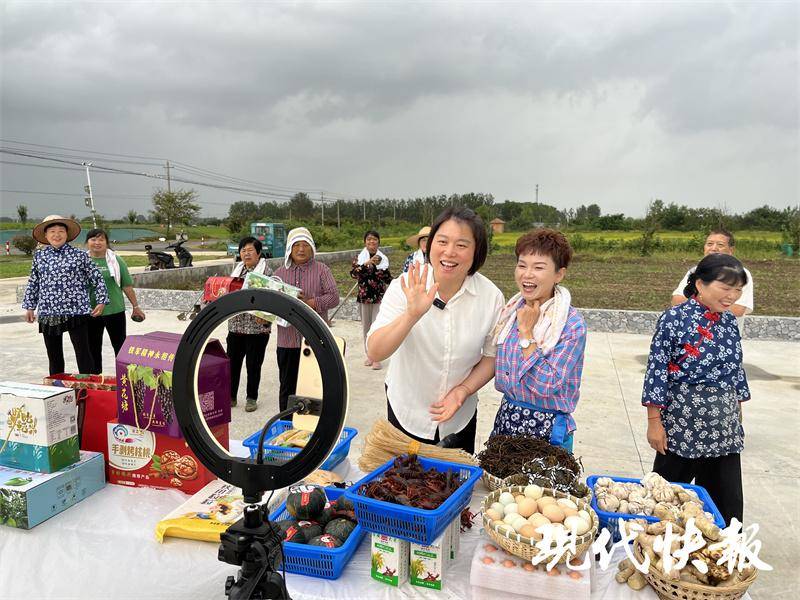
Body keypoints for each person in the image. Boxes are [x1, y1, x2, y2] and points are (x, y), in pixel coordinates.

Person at [367, 207, 505, 454]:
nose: (449, 252)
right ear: (430, 245)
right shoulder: (404, 286)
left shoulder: (491, 297)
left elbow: (492, 356)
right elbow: (375, 351)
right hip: (407, 411)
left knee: (455, 487)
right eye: (442, 241)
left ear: (477, 252)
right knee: (402, 487)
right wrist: (411, 315)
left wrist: (463, 390)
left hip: (459, 416)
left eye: (462, 245)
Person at [644, 253, 750, 525]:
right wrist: (654, 422)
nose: (732, 296)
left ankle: (722, 558)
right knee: (666, 502)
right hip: (681, 427)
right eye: (725, 288)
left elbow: (736, 370)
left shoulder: (728, 322)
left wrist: (737, 417)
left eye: (737, 290)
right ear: (701, 284)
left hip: (722, 432)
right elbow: (657, 371)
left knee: (726, 506)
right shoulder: (673, 319)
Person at [489, 229, 586, 453]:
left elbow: (546, 384)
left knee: (540, 489)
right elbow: (499, 370)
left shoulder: (571, 325)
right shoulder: (511, 312)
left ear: (559, 274)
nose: (527, 274)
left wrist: (526, 333)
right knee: (501, 487)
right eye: (522, 265)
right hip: (507, 421)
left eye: (539, 267)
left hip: (548, 430)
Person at [22, 215, 108, 375]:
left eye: (61, 231)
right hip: (49, 312)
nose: (57, 234)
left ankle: (87, 389)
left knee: (83, 353)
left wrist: (101, 300)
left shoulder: (80, 255)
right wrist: (30, 307)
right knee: (54, 356)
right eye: (52, 231)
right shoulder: (40, 256)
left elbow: (97, 278)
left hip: (77, 311)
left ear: (67, 234)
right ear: (46, 236)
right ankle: (57, 392)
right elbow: (34, 281)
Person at [273, 227, 340, 411]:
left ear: (312, 248)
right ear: (289, 248)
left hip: (315, 340)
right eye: (296, 245)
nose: (301, 249)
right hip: (287, 341)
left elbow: (334, 297)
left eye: (305, 245)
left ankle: (314, 427)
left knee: (314, 385)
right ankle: (285, 425)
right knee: (287, 386)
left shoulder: (321, 270)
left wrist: (310, 303)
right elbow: (271, 303)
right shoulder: (279, 274)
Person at [85, 228, 145, 373]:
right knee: (92, 348)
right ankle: (96, 379)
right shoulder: (81, 261)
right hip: (90, 312)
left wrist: (136, 306)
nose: (97, 243)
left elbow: (127, 285)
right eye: (93, 239)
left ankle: (124, 378)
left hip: (115, 310)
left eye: (101, 240)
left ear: (107, 242)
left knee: (120, 346)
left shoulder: (116, 260)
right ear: (87, 243)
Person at [671, 228, 754, 330]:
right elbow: (677, 300)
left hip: (724, 336)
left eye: (720, 245)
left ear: (731, 250)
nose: (713, 248)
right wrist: (714, 304)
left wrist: (698, 302)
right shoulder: (695, 270)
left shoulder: (741, 273)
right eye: (709, 244)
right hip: (692, 335)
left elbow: (738, 309)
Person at [227, 237, 273, 412]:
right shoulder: (236, 270)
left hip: (257, 328)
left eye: (250, 250)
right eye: (243, 250)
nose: (246, 253)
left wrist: (267, 316)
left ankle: (251, 398)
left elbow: (273, 297)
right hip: (236, 325)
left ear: (259, 253)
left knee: (253, 365)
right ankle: (230, 396)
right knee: (232, 363)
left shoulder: (267, 272)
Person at [350, 230, 393, 370]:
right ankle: (369, 355)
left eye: (374, 239)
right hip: (364, 297)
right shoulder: (359, 258)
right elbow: (354, 274)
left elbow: (387, 278)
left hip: (379, 297)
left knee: (378, 327)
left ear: (378, 242)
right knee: (366, 328)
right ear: (365, 242)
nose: (372, 242)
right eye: (369, 239)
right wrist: (367, 263)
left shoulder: (383, 259)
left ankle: (377, 357)